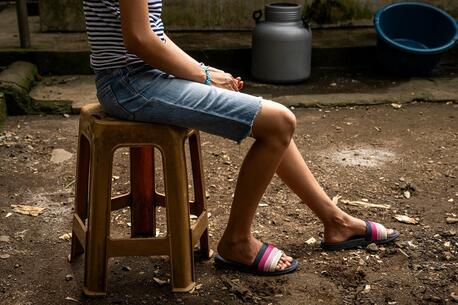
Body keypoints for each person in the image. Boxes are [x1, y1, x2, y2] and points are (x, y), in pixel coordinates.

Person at [83, 0, 399, 275]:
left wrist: (200, 70)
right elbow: (139, 39)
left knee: (274, 122)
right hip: (131, 84)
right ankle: (237, 241)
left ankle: (336, 222)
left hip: (142, 77)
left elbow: (154, 33)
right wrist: (203, 75)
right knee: (278, 122)